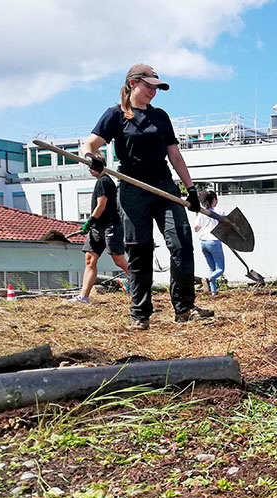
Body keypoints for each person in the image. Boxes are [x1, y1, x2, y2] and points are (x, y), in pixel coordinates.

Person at [80, 63, 212, 331]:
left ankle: (184, 308)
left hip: (165, 188)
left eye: (156, 87)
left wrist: (191, 188)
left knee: (182, 244)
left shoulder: (160, 116)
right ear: (132, 83)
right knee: (139, 252)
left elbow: (174, 154)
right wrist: (92, 158)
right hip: (133, 189)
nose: (153, 91)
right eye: (148, 86)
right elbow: (90, 144)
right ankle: (141, 314)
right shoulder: (115, 116)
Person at [67, 166, 131, 303]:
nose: (89, 169)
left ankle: (138, 284)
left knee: (118, 260)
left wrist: (89, 221)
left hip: (110, 226)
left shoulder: (104, 181)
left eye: (91, 167)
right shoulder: (100, 181)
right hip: (97, 227)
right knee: (90, 259)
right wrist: (93, 224)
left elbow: (101, 205)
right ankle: (83, 296)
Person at [193, 190, 226, 295]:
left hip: (203, 242)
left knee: (212, 268)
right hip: (214, 241)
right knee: (220, 269)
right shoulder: (220, 211)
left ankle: (214, 292)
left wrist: (197, 216)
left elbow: (196, 228)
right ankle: (207, 279)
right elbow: (226, 226)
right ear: (214, 200)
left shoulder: (201, 212)